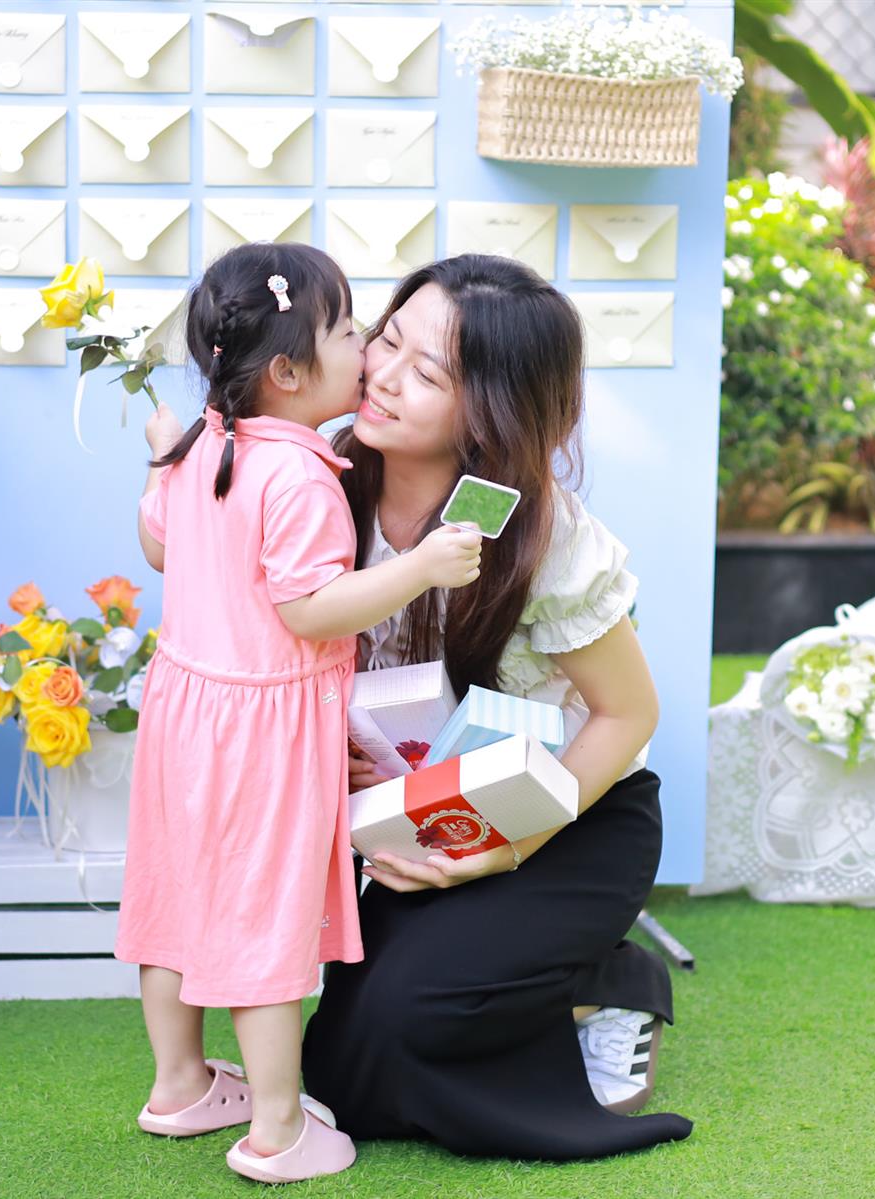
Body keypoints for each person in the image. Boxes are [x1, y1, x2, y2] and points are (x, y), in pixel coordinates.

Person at [300, 254, 694, 1159]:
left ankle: (611, 983)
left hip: (566, 811)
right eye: (387, 341)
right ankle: (553, 977)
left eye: (428, 373)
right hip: (419, 807)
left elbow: (627, 716)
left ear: (492, 410)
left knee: (404, 1021)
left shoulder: (545, 535)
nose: (384, 377)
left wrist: (510, 846)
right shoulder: (321, 479)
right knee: (342, 1072)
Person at [116, 242, 484, 1184]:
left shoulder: (200, 443)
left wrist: (159, 459)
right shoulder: (305, 477)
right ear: (287, 371)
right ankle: (279, 1128)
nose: (367, 349)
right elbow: (311, 609)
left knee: (178, 894)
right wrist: (421, 567)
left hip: (184, 714)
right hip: (261, 732)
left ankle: (180, 1082)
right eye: (350, 330)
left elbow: (159, 545)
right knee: (263, 914)